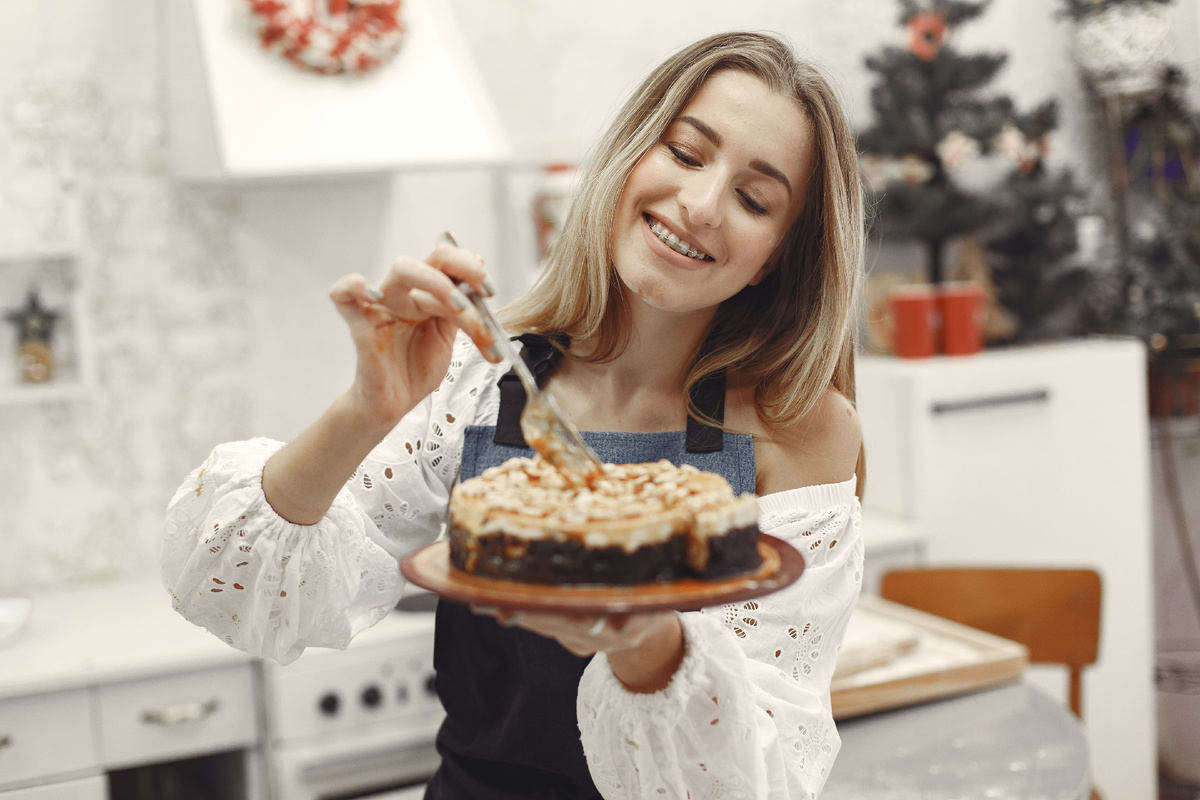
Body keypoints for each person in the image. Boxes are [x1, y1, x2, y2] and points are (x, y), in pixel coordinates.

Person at [162, 30, 865, 799]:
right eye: (686, 153)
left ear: (776, 256)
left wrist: (645, 640)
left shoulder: (799, 428)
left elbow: (763, 777)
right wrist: (366, 409)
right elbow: (247, 597)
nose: (700, 206)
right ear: (631, 155)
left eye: (754, 199)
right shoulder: (487, 378)